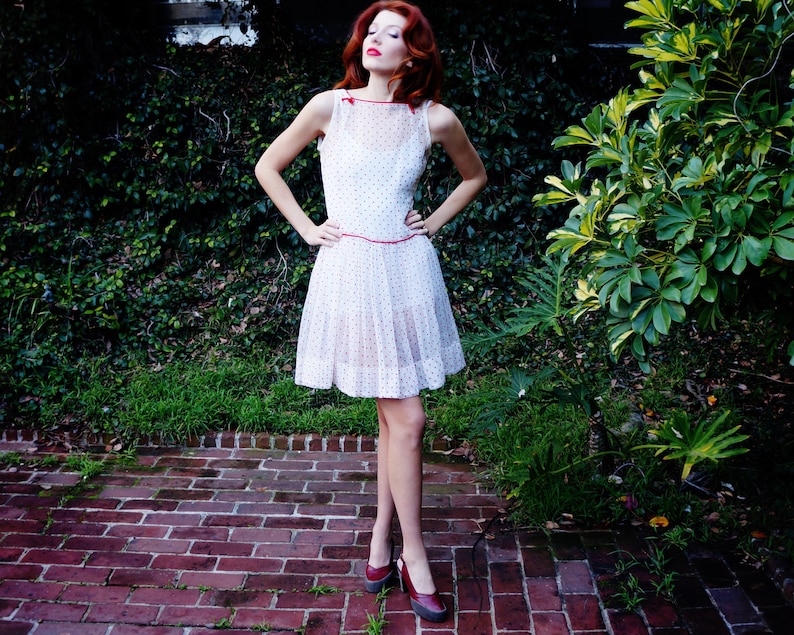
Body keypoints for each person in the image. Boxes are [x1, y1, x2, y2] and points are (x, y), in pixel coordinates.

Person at [254, 0, 486, 623]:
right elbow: (268, 166)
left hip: (408, 273)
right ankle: (415, 554)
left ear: (415, 53)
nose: (377, 41)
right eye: (371, 32)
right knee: (407, 419)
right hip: (352, 273)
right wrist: (307, 228)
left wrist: (431, 222)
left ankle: (382, 542)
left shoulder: (433, 118)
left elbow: (473, 177)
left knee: (393, 420)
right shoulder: (332, 106)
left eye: (395, 35)